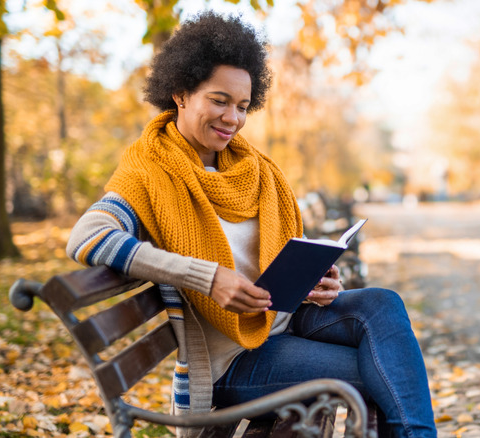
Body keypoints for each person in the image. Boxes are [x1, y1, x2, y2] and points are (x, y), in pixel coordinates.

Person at [66, 11, 436, 438]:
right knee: (387, 370)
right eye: (219, 100)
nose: (233, 118)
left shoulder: (251, 168)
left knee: (384, 305)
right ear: (181, 92)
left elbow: (271, 258)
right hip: (235, 360)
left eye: (242, 106)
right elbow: (87, 237)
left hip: (286, 318)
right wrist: (208, 278)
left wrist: (314, 281)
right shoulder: (147, 171)